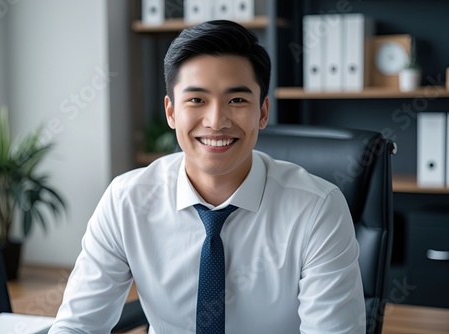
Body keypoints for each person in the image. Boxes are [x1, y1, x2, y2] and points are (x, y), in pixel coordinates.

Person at [49, 20, 365, 333]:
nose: (216, 121)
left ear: (263, 112)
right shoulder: (127, 201)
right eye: (196, 100)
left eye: (237, 100)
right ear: (171, 113)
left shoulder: (317, 210)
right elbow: (77, 327)